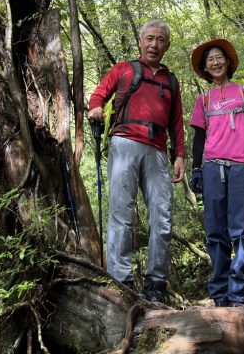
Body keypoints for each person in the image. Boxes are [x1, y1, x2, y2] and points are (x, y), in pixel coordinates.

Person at [87, 19, 185, 303]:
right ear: (141, 41)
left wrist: (180, 154)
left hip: (157, 151)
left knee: (163, 216)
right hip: (125, 143)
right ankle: (121, 280)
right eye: (150, 39)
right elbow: (99, 93)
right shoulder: (124, 69)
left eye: (161, 40)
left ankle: (156, 283)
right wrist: (95, 109)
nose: (154, 44)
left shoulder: (171, 81)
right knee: (121, 213)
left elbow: (176, 122)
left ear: (167, 45)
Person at [188, 37, 244, 307]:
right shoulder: (204, 99)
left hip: (243, 167)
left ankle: (239, 294)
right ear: (205, 68)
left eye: (219, 57)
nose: (215, 61)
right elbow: (198, 137)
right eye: (210, 59)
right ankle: (220, 295)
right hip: (211, 167)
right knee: (215, 232)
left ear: (228, 62)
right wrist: (196, 168)